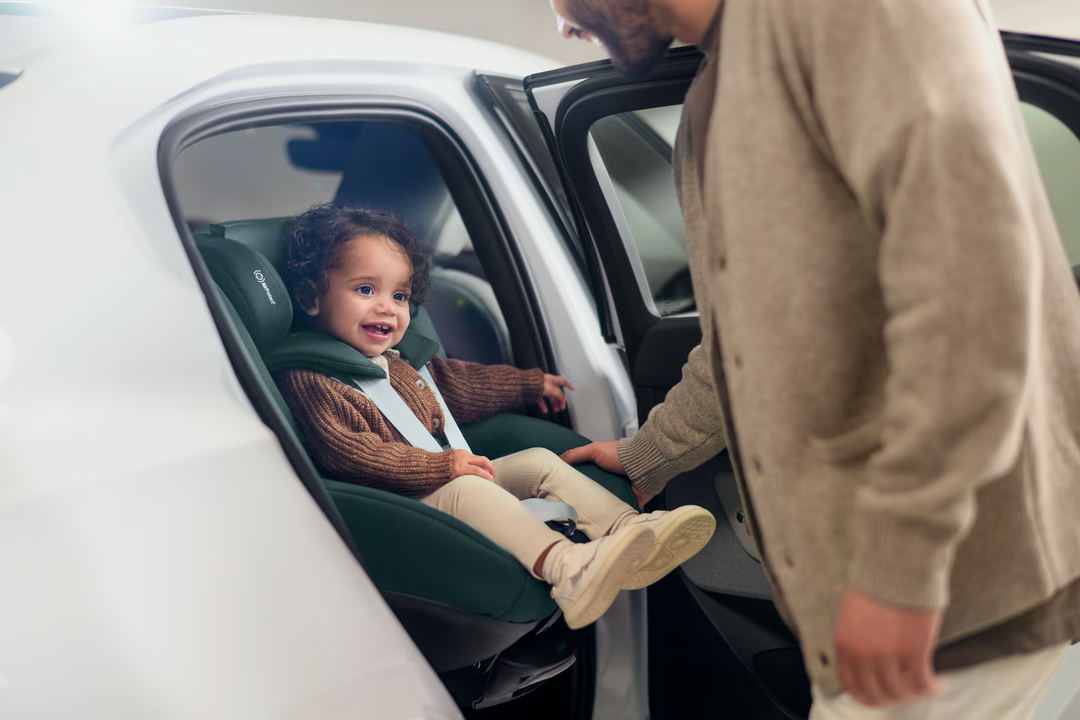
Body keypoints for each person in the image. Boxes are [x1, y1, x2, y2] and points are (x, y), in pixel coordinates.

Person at [551, 0, 1080, 716]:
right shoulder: (718, 88)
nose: (563, 23)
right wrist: (650, 455)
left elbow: (973, 302)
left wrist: (899, 573)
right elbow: (742, 342)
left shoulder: (854, 14)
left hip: (960, 604)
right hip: (887, 602)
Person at [272, 203, 716, 630]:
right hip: (404, 502)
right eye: (365, 289)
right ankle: (569, 568)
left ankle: (629, 531)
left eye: (400, 295)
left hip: (441, 479)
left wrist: (528, 384)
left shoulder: (395, 362)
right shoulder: (311, 378)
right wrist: (443, 466)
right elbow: (354, 457)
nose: (388, 306)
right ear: (311, 297)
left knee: (540, 461)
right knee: (468, 486)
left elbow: (460, 387)